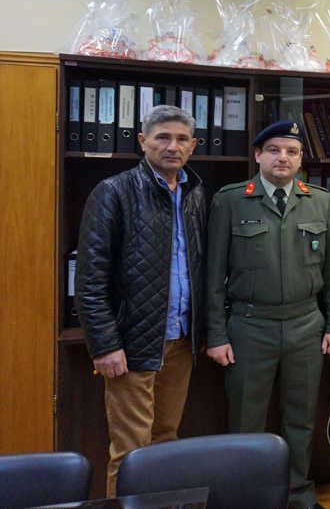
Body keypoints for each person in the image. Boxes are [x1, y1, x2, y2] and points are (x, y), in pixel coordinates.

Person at [204, 119, 330, 509]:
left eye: (292, 151)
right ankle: (247, 499)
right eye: (273, 150)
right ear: (258, 155)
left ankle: (299, 494)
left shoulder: (320, 201)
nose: (283, 157)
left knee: (301, 419)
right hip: (250, 326)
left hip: (306, 325)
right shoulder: (231, 201)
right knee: (246, 421)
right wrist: (216, 334)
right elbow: (212, 276)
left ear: (300, 158)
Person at [75, 105, 207, 496]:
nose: (172, 147)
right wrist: (104, 344)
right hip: (132, 345)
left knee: (165, 443)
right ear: (143, 141)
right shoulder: (114, 192)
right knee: (131, 452)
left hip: (181, 341)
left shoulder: (196, 194)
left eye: (182, 139)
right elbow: (90, 279)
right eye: (163, 137)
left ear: (193, 146)